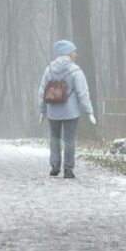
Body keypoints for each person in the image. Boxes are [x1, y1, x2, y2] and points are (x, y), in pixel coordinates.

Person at [38, 40, 96, 178]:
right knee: (69, 139)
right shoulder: (76, 70)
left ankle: (55, 165)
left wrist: (42, 110)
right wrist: (89, 112)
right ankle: (68, 169)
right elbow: (83, 93)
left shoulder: (49, 69)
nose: (75, 53)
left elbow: (42, 91)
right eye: (73, 51)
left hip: (53, 111)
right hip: (71, 112)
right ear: (67, 53)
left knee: (54, 137)